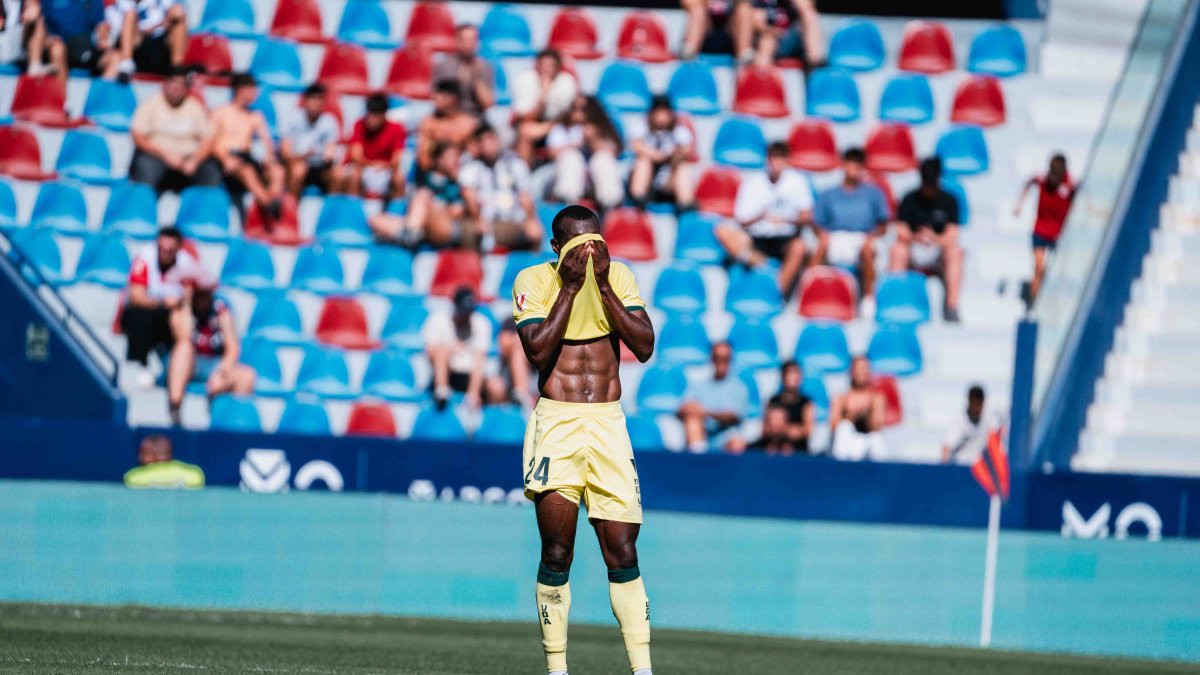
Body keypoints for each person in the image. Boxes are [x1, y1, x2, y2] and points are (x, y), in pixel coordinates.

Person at [511, 205, 655, 675]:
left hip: (608, 424)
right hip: (558, 424)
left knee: (623, 550)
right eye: (578, 243)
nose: (589, 251)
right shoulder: (533, 281)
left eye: (596, 240)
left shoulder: (621, 277)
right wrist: (571, 287)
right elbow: (537, 350)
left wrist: (605, 283)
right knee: (557, 551)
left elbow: (644, 345)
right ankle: (557, 669)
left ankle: (643, 669)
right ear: (558, 248)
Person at [717, 141, 819, 297]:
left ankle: (776, 293)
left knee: (800, 247)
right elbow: (742, 220)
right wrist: (761, 215)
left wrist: (786, 220)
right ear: (767, 159)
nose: (776, 162)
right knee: (722, 230)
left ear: (787, 160)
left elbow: (807, 216)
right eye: (773, 157)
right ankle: (760, 263)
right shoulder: (753, 182)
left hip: (785, 238)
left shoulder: (798, 181)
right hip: (757, 236)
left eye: (780, 157)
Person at [165, 283, 255, 426]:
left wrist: (222, 370)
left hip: (214, 364)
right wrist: (187, 304)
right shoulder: (181, 310)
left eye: (205, 294)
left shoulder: (221, 311)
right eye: (198, 295)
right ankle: (175, 407)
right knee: (184, 349)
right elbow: (183, 337)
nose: (202, 300)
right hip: (188, 363)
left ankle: (234, 423)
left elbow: (232, 347)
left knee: (247, 376)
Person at [813, 148, 891, 312]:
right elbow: (817, 223)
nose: (854, 170)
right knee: (821, 246)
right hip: (836, 236)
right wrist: (823, 235)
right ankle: (811, 291)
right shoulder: (829, 194)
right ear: (843, 165)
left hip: (863, 236)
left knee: (868, 249)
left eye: (858, 166)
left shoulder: (874, 193)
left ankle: (868, 300)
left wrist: (872, 235)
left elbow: (884, 225)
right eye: (850, 164)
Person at [121, 227, 203, 375]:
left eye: (170, 250)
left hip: (174, 313)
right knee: (139, 314)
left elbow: (190, 295)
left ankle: (179, 365)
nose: (165, 253)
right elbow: (136, 295)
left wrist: (178, 305)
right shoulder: (145, 258)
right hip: (151, 311)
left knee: (185, 318)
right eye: (162, 248)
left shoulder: (187, 263)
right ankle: (139, 363)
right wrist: (163, 303)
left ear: (177, 248)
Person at [890, 157, 964, 323]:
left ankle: (951, 306)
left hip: (938, 251)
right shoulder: (909, 199)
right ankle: (895, 301)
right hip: (914, 248)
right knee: (897, 250)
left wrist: (934, 238)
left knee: (956, 252)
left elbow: (952, 235)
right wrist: (917, 237)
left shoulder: (949, 200)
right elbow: (901, 231)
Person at [129, 67, 222, 193]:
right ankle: (143, 207)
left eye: (182, 84)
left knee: (211, 171)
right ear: (165, 85)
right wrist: (165, 154)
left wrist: (195, 159)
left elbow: (208, 139)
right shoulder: (150, 104)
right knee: (147, 167)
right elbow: (138, 136)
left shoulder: (195, 107)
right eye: (174, 82)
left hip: (188, 159)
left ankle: (202, 210)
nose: (177, 87)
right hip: (157, 155)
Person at [210, 73, 285, 219]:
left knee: (278, 171)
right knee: (247, 170)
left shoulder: (255, 116)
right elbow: (211, 142)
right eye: (252, 89)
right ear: (240, 89)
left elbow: (267, 143)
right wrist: (224, 158)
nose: (255, 94)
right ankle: (266, 203)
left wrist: (269, 157)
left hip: (247, 156)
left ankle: (273, 201)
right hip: (227, 157)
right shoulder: (220, 112)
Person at [459, 124, 542, 251]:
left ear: (497, 139)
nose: (487, 144)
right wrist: (478, 219)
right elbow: (468, 193)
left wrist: (531, 219)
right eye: (481, 140)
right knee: (471, 231)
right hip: (486, 221)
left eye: (490, 138)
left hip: (513, 221)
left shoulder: (515, 163)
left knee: (534, 232)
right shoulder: (472, 166)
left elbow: (524, 194)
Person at [369, 142, 465, 248]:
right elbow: (421, 151)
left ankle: (408, 233)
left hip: (444, 226)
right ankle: (409, 234)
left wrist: (432, 206)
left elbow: (457, 211)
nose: (456, 161)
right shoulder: (423, 176)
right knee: (375, 219)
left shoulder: (457, 183)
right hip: (419, 226)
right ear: (439, 159)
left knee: (423, 194)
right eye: (451, 156)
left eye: (457, 156)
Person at [1015, 154, 1076, 307]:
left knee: (1061, 272)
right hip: (1040, 230)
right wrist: (1019, 205)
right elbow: (1028, 183)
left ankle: (1058, 302)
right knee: (1038, 268)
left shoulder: (1069, 186)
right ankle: (1033, 303)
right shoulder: (1042, 180)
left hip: (1058, 234)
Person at [547, 95, 623, 211]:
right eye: (574, 108)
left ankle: (611, 208)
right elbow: (552, 152)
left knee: (602, 158)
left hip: (596, 183)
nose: (577, 112)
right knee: (571, 157)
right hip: (564, 179)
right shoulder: (561, 128)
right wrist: (578, 143)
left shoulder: (603, 128)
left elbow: (614, 151)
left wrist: (593, 141)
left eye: (583, 108)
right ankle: (567, 207)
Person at [423, 287, 491, 411]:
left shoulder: (481, 323)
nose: (466, 316)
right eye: (463, 311)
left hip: (468, 375)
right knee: (442, 350)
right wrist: (450, 350)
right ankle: (441, 390)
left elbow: (480, 360)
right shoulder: (438, 320)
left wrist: (473, 392)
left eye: (469, 312)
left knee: (496, 387)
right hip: (447, 371)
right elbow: (430, 352)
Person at [676, 341, 751, 453]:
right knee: (692, 422)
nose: (722, 362)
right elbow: (682, 409)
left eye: (726, 358)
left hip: (727, 437)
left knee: (737, 443)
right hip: (703, 435)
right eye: (718, 357)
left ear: (730, 360)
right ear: (712, 359)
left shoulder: (739, 387)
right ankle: (699, 462)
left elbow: (734, 415)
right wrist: (692, 410)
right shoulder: (699, 385)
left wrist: (704, 412)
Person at [628, 96, 696, 211]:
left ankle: (685, 203)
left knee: (683, 166)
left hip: (668, 181)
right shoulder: (641, 127)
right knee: (643, 161)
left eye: (664, 112)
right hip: (648, 181)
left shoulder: (680, 131)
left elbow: (688, 150)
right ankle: (638, 198)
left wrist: (675, 155)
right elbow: (636, 146)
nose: (661, 117)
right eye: (658, 112)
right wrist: (658, 156)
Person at [512, 48, 577, 164]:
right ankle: (523, 176)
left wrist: (546, 128)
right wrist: (542, 98)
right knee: (525, 131)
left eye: (551, 66)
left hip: (561, 127)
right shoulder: (526, 79)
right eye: (543, 65)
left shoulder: (567, 82)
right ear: (537, 65)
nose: (546, 70)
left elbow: (570, 118)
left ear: (558, 68)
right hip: (535, 126)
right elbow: (524, 117)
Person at [339, 92, 406, 199]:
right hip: (364, 168)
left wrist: (384, 166)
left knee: (399, 178)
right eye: (369, 114)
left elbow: (397, 159)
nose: (371, 119)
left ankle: (396, 212)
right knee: (354, 175)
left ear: (384, 115)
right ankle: (354, 209)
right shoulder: (359, 125)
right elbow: (356, 156)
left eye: (376, 116)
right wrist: (373, 164)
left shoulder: (397, 128)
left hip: (385, 171)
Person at [280, 83, 339, 197]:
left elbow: (330, 150)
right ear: (305, 100)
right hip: (296, 164)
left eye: (319, 99)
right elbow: (285, 154)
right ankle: (291, 209)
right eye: (312, 99)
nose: (316, 103)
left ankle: (329, 212)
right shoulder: (291, 119)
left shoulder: (330, 122)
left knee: (337, 174)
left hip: (320, 167)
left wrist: (329, 157)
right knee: (299, 170)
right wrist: (304, 156)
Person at [40, 0, 121, 83]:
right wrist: (47, 39)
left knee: (116, 57)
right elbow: (41, 25)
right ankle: (62, 95)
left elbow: (100, 24)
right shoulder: (49, 2)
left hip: (87, 48)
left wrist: (103, 39)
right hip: (62, 48)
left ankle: (100, 94)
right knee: (57, 50)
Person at [106, 0, 187, 78]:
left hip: (159, 45)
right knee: (130, 16)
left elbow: (176, 14)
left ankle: (176, 69)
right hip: (135, 48)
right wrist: (150, 29)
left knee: (178, 13)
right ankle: (127, 63)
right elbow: (117, 34)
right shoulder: (119, 5)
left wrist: (160, 25)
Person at [415, 79, 480, 174]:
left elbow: (475, 154)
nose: (434, 99)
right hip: (435, 174)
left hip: (461, 173)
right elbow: (423, 159)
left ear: (452, 98)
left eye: (439, 96)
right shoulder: (429, 123)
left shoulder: (467, 124)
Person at [829, 356, 886, 461]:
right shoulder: (841, 398)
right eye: (858, 368)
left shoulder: (876, 398)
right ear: (851, 371)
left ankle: (882, 473)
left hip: (867, 442)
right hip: (848, 445)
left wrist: (866, 416)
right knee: (844, 427)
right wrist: (850, 416)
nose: (860, 372)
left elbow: (878, 425)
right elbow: (833, 425)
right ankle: (839, 468)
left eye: (864, 368)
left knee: (876, 438)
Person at [431, 23, 494, 117]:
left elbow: (488, 104)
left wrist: (475, 78)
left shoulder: (485, 67)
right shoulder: (443, 66)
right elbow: (437, 101)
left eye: (472, 39)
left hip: (475, 118)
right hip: (448, 116)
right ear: (457, 40)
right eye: (465, 39)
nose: (469, 43)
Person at [751, 0, 824, 69]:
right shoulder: (766, 3)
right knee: (768, 40)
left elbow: (808, 10)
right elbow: (756, 22)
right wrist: (773, 31)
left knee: (810, 16)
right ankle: (762, 74)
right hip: (772, 37)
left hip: (795, 39)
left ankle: (814, 62)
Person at [678, 0, 753, 61]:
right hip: (705, 31)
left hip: (730, 33)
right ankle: (689, 53)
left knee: (744, 9)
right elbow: (687, 3)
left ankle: (744, 58)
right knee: (698, 11)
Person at [766, 360, 815, 453]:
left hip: (798, 447)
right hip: (775, 445)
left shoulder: (806, 402)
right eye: (790, 373)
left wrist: (785, 430)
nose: (794, 377)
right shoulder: (773, 401)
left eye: (796, 373)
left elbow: (808, 429)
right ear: (783, 376)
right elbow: (766, 429)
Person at [123, 434, 204, 489]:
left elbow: (130, 479)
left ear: (155, 455)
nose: (140, 457)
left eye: (144, 453)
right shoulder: (195, 473)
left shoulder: (134, 476)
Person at [942, 385, 994, 465]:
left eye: (978, 404)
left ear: (983, 403)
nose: (975, 408)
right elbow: (947, 447)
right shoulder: (960, 420)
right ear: (969, 402)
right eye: (973, 404)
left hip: (982, 469)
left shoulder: (990, 416)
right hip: (962, 466)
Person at [0, 0, 54, 77]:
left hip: (18, 44)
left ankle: (35, 65)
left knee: (36, 16)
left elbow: (33, 10)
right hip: (3, 41)